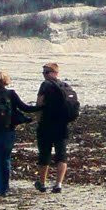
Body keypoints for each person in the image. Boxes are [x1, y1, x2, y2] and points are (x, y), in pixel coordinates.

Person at [0, 71, 32, 196]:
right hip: (8, 131)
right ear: (6, 81)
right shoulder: (11, 94)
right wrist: (41, 107)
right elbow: (24, 108)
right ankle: (5, 189)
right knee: (5, 160)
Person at [33, 61, 75, 193]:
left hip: (46, 123)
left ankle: (42, 183)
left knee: (44, 154)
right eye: (43, 72)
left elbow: (39, 104)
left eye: (46, 72)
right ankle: (58, 184)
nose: (44, 75)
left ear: (54, 73)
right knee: (61, 154)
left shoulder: (45, 85)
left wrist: (37, 120)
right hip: (62, 124)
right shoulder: (65, 85)